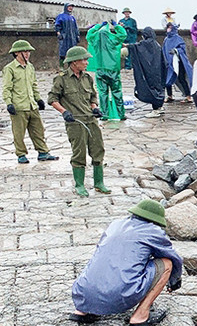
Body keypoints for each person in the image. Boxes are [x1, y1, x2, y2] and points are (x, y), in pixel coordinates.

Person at [70, 199, 183, 326]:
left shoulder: (115, 224)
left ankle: (82, 311)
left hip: (82, 292)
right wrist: (174, 281)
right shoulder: (154, 232)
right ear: (156, 221)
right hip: (118, 295)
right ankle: (140, 317)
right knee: (166, 263)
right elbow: (174, 258)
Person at [48, 46, 108, 196]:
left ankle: (99, 182)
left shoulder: (87, 78)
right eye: (84, 60)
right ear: (74, 62)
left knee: (98, 149)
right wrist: (64, 112)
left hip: (90, 119)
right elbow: (52, 98)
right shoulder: (61, 79)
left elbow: (92, 96)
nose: (87, 62)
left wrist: (94, 108)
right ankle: (79, 185)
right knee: (79, 152)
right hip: (75, 121)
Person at [3, 40, 58, 163]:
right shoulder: (10, 69)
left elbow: (33, 85)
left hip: (32, 105)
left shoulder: (30, 67)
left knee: (38, 130)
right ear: (17, 53)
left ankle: (43, 152)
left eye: (28, 51)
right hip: (19, 106)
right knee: (19, 133)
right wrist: (9, 103)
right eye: (24, 51)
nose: (27, 54)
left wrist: (38, 99)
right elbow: (7, 88)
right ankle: (21, 154)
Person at [87, 21, 127, 120]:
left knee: (102, 93)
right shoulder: (112, 39)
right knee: (117, 92)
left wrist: (98, 26)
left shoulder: (95, 40)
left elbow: (89, 34)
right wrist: (116, 26)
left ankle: (104, 114)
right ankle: (120, 114)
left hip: (100, 69)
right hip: (113, 69)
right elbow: (123, 34)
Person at [122, 27, 167, 118]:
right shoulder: (157, 44)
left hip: (150, 72)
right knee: (159, 88)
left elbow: (136, 47)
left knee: (152, 88)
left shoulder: (145, 44)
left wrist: (127, 46)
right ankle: (160, 107)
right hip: (158, 71)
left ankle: (156, 110)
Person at [162, 23, 193, 103]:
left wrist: (176, 51)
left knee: (181, 78)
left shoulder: (178, 38)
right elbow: (164, 50)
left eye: (170, 28)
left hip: (178, 62)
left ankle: (188, 96)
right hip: (168, 62)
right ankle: (170, 96)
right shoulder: (166, 39)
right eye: (168, 27)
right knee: (167, 79)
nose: (168, 29)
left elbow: (182, 49)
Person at [55, 2, 80, 67]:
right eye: (69, 6)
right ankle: (61, 66)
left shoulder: (72, 18)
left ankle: (70, 66)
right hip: (64, 37)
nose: (70, 8)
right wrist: (59, 34)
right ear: (66, 7)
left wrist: (77, 35)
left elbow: (75, 27)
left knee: (72, 52)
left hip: (72, 37)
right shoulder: (61, 16)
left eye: (71, 7)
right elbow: (57, 26)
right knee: (62, 52)